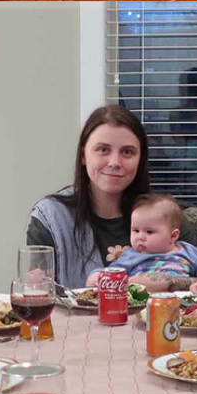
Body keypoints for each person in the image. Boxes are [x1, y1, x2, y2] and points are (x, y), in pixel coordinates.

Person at [27, 104, 153, 286]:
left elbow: (193, 282)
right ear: (83, 156)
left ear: (140, 160)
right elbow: (37, 290)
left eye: (127, 152)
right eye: (103, 150)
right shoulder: (49, 218)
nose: (114, 162)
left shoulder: (166, 215)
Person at [88, 192, 197, 287]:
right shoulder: (131, 256)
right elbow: (112, 273)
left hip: (183, 306)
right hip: (141, 305)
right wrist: (97, 276)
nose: (140, 237)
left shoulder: (188, 253)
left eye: (149, 232)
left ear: (173, 236)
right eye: (135, 230)